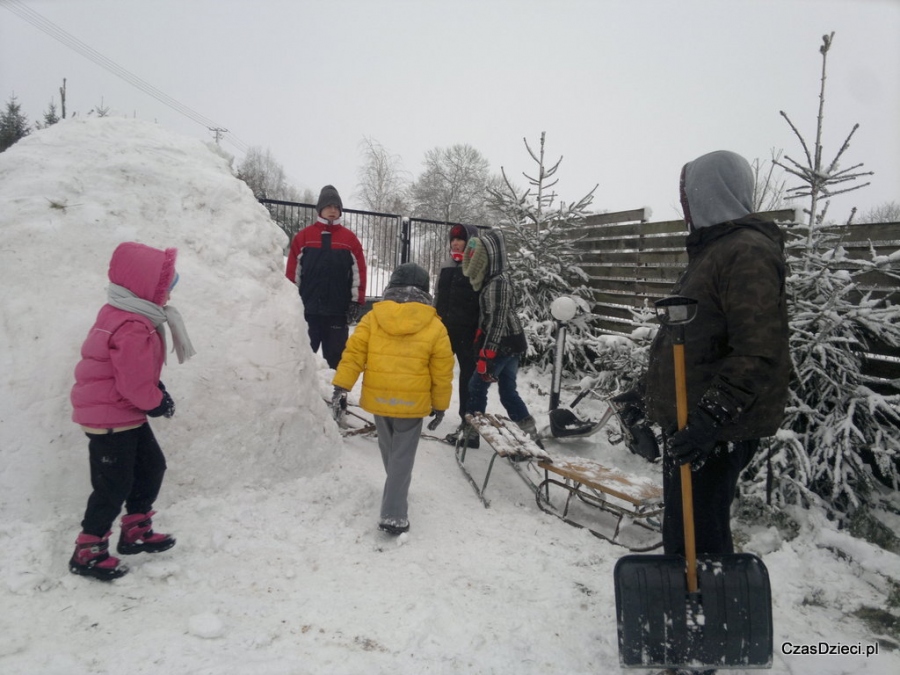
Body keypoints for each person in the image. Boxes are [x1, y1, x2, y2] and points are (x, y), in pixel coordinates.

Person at [636, 150, 790, 568]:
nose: (684, 203)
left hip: (716, 427)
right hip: (695, 420)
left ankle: (710, 618)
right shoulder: (714, 250)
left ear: (712, 193)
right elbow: (689, 338)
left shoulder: (746, 252)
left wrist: (708, 419)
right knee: (684, 530)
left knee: (700, 538)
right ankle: (691, 612)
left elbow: (759, 349)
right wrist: (643, 394)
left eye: (689, 193)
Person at [69, 242, 196, 581]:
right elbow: (133, 384)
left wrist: (155, 391)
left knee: (152, 466)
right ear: (145, 287)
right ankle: (89, 549)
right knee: (113, 485)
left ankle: (136, 529)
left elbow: (135, 372)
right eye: (164, 286)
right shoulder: (132, 324)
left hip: (122, 413)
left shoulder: (128, 313)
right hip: (110, 417)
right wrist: (156, 401)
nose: (168, 294)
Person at [331, 263, 454, 535]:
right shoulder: (435, 325)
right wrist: (441, 405)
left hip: (380, 397)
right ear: (425, 290)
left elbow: (354, 354)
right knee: (402, 457)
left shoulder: (373, 318)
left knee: (391, 452)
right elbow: (442, 371)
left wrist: (342, 384)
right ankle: (394, 513)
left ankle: (394, 490)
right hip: (412, 404)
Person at [462, 228, 541, 445]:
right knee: (508, 392)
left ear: (490, 257)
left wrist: (487, 355)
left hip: (503, 344)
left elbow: (497, 323)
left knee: (476, 387)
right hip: (510, 342)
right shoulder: (494, 279)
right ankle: (531, 437)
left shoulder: (498, 282)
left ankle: (470, 435)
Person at [285, 185, 367, 369]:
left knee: (337, 359)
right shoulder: (304, 237)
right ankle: (305, 395)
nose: (332, 210)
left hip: (337, 311)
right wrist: (290, 300)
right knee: (304, 357)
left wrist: (356, 301)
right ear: (320, 209)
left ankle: (337, 395)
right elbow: (292, 272)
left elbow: (359, 273)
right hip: (308, 311)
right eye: (328, 206)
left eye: (336, 207)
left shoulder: (349, 239)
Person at [434, 223, 481, 447]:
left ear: (470, 241)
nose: (455, 242)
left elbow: (482, 301)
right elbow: (438, 294)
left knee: (468, 377)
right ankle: (428, 407)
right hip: (444, 329)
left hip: (467, 332)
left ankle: (468, 424)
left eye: (460, 239)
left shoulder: (477, 266)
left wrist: (480, 330)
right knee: (434, 368)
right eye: (453, 239)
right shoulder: (446, 265)